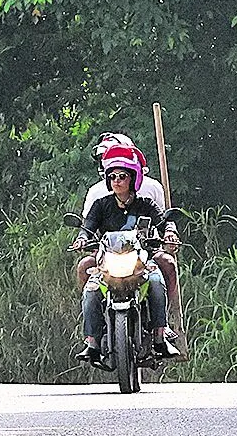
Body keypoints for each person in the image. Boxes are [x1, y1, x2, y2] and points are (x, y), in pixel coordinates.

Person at [73, 147, 180, 363]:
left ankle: (160, 333)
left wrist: (169, 231)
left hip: (141, 260)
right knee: (91, 290)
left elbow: (162, 221)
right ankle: (92, 341)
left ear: (133, 178)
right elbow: (88, 226)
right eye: (112, 177)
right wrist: (82, 238)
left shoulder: (145, 204)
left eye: (122, 176)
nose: (117, 181)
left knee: (157, 281)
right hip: (108, 262)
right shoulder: (101, 205)